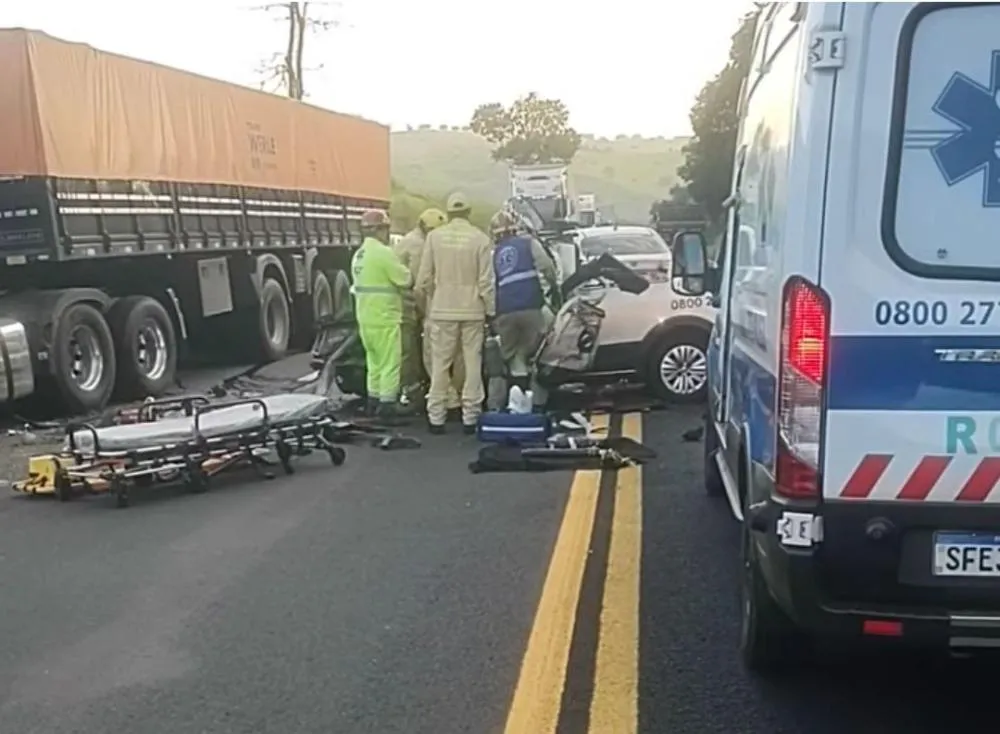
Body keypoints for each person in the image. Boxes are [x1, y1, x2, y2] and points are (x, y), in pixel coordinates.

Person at [415, 192, 495, 434]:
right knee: (472, 363)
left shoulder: (434, 238)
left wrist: (428, 303)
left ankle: (436, 417)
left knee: (440, 364)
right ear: (469, 213)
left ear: (448, 214)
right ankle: (471, 417)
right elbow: (486, 282)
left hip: (441, 310)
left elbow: (423, 279)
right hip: (473, 311)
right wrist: (490, 310)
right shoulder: (480, 239)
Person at [486, 210, 558, 411]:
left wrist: (491, 315)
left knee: (514, 358)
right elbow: (547, 268)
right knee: (535, 355)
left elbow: (490, 285)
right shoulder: (529, 243)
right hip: (531, 307)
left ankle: (513, 402)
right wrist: (554, 289)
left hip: (505, 313)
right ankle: (535, 403)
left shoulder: (494, 254)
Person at [351, 208, 413, 422]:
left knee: (374, 363)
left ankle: (374, 402)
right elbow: (405, 279)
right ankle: (387, 408)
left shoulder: (359, 255)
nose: (386, 233)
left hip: (366, 318)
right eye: (385, 229)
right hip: (385, 316)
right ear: (378, 230)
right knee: (390, 363)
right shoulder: (383, 253)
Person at [393, 208, 450, 406]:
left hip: (405, 300)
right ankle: (411, 390)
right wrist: (426, 313)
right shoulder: (418, 245)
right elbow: (420, 284)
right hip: (406, 302)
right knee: (411, 350)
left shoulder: (414, 240)